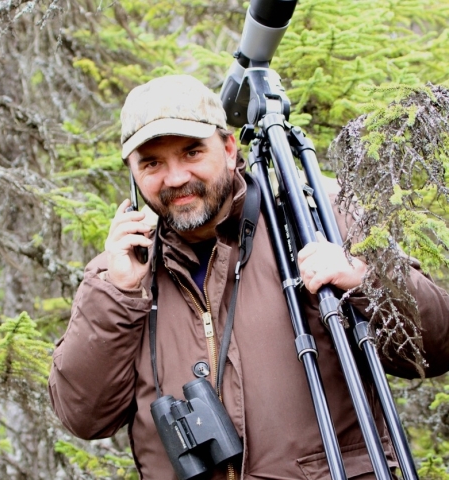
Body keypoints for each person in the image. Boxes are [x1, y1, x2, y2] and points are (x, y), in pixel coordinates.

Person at [48, 74, 449, 480]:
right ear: (132, 173)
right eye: (152, 163)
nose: (175, 178)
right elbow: (83, 416)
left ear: (227, 147)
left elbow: (437, 347)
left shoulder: (314, 222)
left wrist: (368, 282)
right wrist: (116, 293)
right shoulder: (122, 272)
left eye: (191, 153)